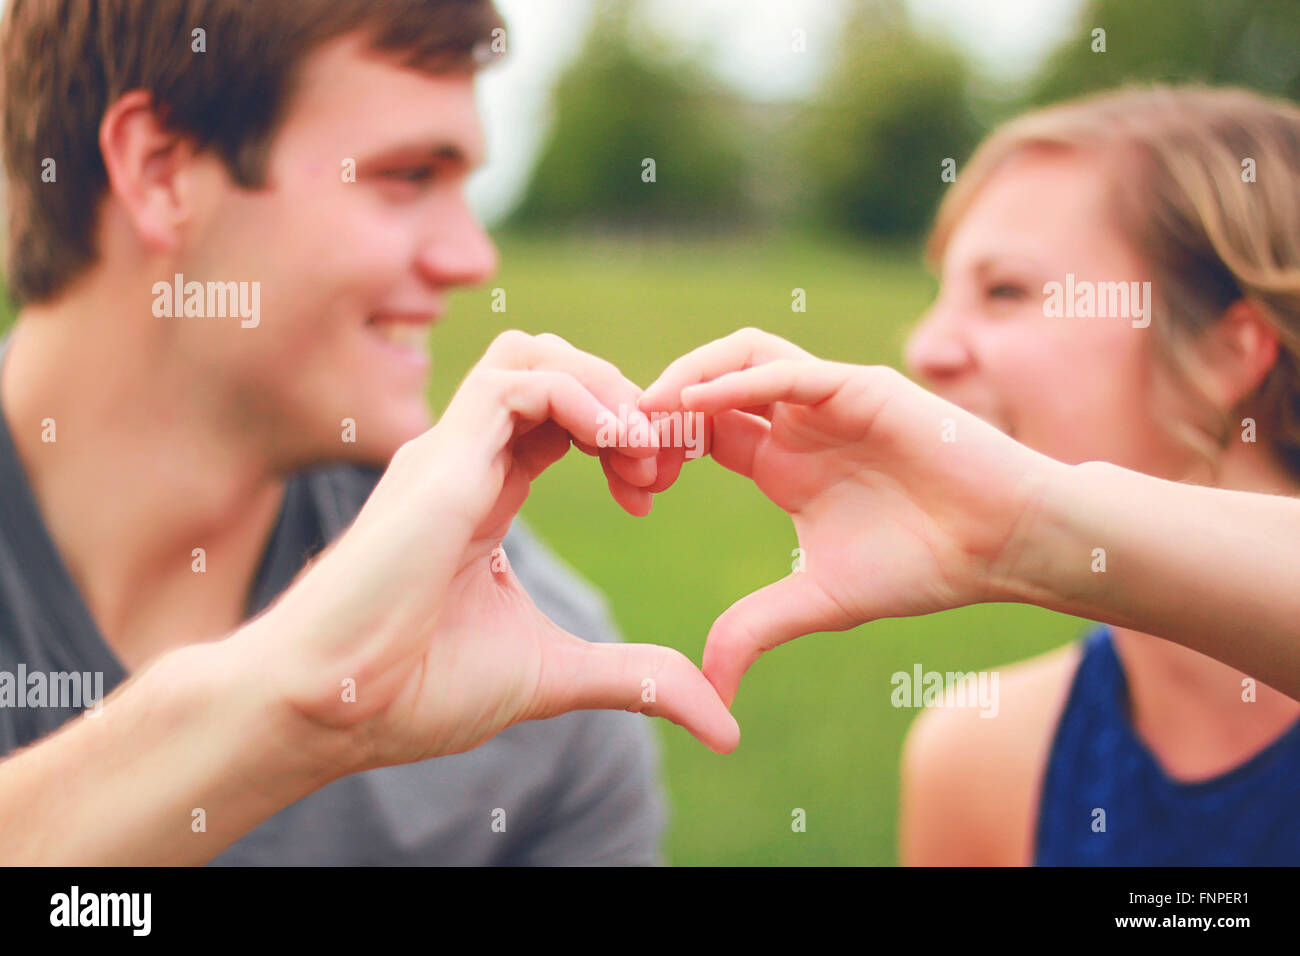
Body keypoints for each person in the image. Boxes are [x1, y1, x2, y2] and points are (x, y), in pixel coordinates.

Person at [0, 0, 703, 865]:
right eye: (408, 175)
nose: (472, 258)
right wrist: (280, 707)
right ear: (161, 171)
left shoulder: (532, 677)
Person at [640, 85, 1300, 865]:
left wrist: (1032, 523)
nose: (925, 347)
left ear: (1230, 351)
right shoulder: (984, 762)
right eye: (940, 292)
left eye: (1005, 291)